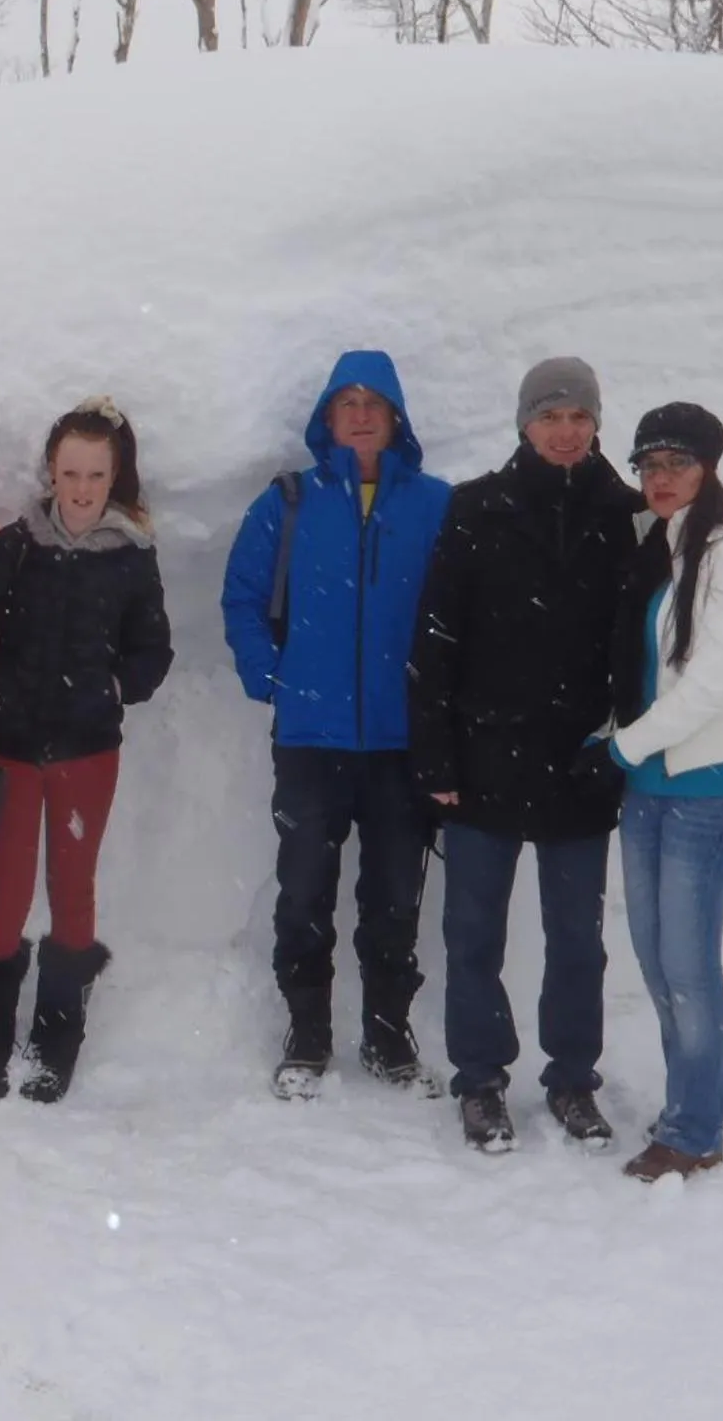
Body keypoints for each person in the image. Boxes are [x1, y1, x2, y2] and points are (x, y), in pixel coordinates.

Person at [408, 357, 642, 1152]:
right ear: (524, 424)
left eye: (579, 417)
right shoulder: (478, 508)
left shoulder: (627, 515)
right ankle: (480, 1080)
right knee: (473, 934)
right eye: (551, 417)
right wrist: (436, 760)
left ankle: (573, 1079)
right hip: (485, 761)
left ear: (597, 423)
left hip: (582, 766)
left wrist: (620, 744)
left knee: (578, 939)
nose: (566, 432)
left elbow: (642, 652)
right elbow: (436, 641)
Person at [221, 351, 453, 1099]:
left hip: (400, 743)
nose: (360, 414)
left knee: (394, 897)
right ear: (327, 418)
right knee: (305, 892)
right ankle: (308, 1033)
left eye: (374, 403)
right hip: (311, 741)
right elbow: (243, 598)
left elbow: (463, 613)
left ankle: (388, 1035)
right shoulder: (289, 501)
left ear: (396, 419)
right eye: (346, 402)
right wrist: (273, 679)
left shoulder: (434, 506)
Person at [0, 398, 173, 1105]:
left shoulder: (132, 558)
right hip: (12, 752)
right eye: (70, 472)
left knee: (72, 892)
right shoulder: (15, 549)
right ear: (51, 471)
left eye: (95, 474)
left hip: (86, 753)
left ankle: (56, 1038)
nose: (81, 488)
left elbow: (153, 651)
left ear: (115, 477)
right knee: (6, 897)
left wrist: (115, 683)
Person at [606, 402, 723, 1182]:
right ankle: (717, 1091)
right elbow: (650, 671)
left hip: (711, 794)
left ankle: (695, 1128)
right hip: (651, 788)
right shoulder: (667, 545)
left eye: (676, 462)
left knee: (687, 965)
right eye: (647, 464)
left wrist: (625, 743)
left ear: (708, 465)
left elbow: (711, 681)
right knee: (658, 960)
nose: (660, 477)